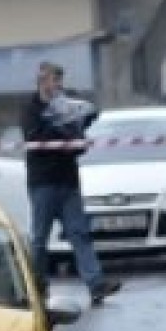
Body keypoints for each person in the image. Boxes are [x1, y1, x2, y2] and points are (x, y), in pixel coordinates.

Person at [21, 62, 120, 305]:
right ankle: (37, 288)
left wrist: (81, 123)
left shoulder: (68, 106)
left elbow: (85, 121)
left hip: (68, 180)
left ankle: (96, 284)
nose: (59, 86)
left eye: (60, 81)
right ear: (43, 82)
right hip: (43, 181)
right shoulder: (30, 108)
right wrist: (66, 136)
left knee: (80, 234)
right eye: (55, 81)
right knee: (39, 239)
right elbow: (35, 137)